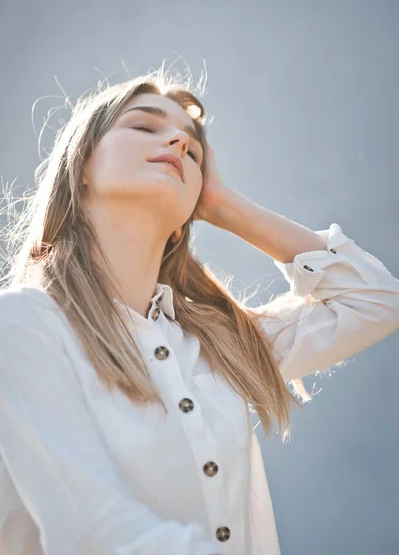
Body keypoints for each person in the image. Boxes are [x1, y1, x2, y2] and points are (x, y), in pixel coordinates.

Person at [0, 68, 398, 555]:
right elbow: (97, 532)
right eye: (145, 127)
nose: (176, 141)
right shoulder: (24, 325)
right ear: (80, 163)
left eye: (193, 149)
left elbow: (376, 300)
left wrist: (222, 203)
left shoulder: (220, 348)